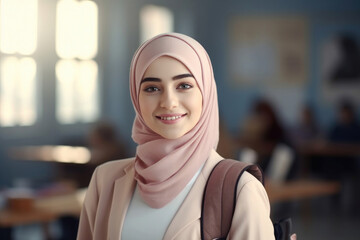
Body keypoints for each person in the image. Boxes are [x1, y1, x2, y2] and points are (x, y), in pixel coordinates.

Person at [77, 33, 275, 240]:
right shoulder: (105, 180)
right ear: (136, 97)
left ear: (205, 93)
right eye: (152, 88)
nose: (169, 102)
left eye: (184, 86)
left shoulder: (240, 189)